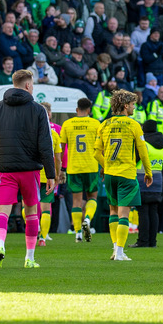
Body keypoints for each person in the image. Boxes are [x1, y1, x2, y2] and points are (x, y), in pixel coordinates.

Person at [0, 69, 57, 269]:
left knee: (3, 211)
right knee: (32, 212)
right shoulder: (38, 110)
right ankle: (29, 258)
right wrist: (50, 174)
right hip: (30, 170)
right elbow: (45, 145)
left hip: (6, 169)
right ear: (27, 85)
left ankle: (0, 246)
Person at [94, 89, 152, 262]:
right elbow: (143, 151)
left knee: (113, 211)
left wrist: (107, 166)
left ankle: (115, 248)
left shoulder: (104, 124)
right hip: (126, 174)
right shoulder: (134, 125)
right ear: (126, 106)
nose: (134, 107)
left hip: (110, 174)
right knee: (124, 214)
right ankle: (119, 252)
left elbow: (97, 153)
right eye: (133, 104)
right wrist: (148, 172)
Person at [60, 97, 102, 243]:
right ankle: (88, 219)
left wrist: (60, 169)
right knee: (92, 198)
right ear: (89, 110)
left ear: (77, 110)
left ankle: (77, 232)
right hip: (91, 166)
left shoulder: (67, 124)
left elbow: (61, 148)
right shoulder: (96, 124)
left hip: (74, 167)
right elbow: (101, 146)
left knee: (76, 202)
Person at [134, 119, 163, 249]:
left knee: (143, 211)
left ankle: (143, 241)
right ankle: (152, 241)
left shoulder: (144, 144)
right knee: (153, 211)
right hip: (158, 180)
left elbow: (135, 159)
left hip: (143, 179)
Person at [38, 102, 64, 245]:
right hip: (48, 175)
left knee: (27, 206)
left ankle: (35, 227)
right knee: (46, 208)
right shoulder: (54, 134)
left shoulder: (30, 132)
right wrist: (57, 174)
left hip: (32, 175)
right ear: (48, 114)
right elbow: (58, 159)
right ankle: (43, 238)